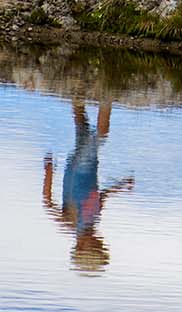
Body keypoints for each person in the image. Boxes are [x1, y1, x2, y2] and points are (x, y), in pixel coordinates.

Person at [42, 100, 134, 272]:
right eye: (100, 246)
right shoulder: (93, 222)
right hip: (88, 164)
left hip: (79, 166)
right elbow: (102, 195)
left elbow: (47, 202)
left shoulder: (71, 224)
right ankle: (77, 92)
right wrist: (122, 185)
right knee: (82, 125)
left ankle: (106, 96)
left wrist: (48, 173)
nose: (100, 241)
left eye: (97, 246)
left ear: (81, 246)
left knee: (101, 134)